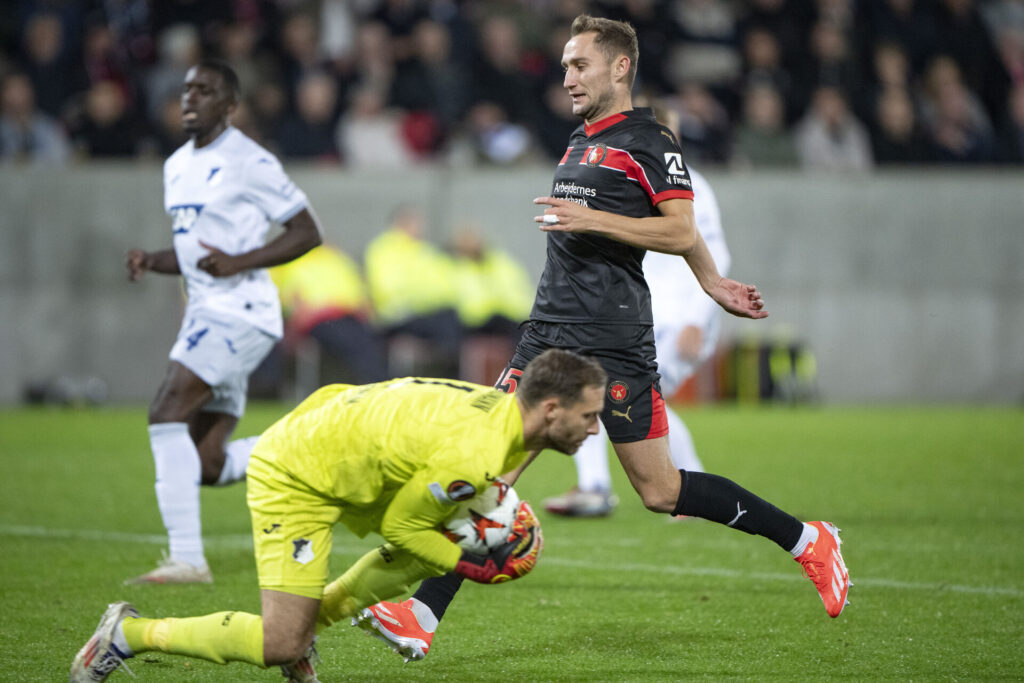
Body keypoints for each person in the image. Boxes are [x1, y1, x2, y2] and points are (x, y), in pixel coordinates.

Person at [357, 15, 852, 663]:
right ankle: (421, 612)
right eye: (564, 66)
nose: (568, 77)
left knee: (661, 490)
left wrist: (682, 266)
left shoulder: (649, 137)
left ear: (620, 67)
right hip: (548, 337)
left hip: (612, 342)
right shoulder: (580, 138)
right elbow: (670, 236)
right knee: (484, 476)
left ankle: (808, 539)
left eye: (579, 65)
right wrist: (715, 281)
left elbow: (678, 228)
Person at [69, 348, 597, 682]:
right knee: (278, 642)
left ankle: (307, 627)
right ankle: (128, 633)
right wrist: (469, 565)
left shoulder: (502, 415)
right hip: (298, 477)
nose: (596, 429)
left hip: (347, 451)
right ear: (552, 409)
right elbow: (402, 528)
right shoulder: (478, 454)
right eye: (589, 416)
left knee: (435, 540)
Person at [122, 61, 322, 585]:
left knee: (166, 409)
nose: (190, 97)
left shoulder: (249, 160)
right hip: (210, 311)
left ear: (230, 106)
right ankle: (308, 444)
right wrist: (154, 259)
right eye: (186, 88)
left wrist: (241, 261)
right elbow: (199, 250)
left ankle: (187, 559)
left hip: (241, 312)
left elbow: (307, 232)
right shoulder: (176, 165)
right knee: (207, 464)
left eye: (205, 91)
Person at [543, 166, 729, 517]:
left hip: (675, 324)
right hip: (641, 315)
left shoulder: (686, 183)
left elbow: (710, 248)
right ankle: (690, 488)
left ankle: (602, 487)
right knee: (621, 395)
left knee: (609, 392)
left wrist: (696, 319)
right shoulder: (624, 174)